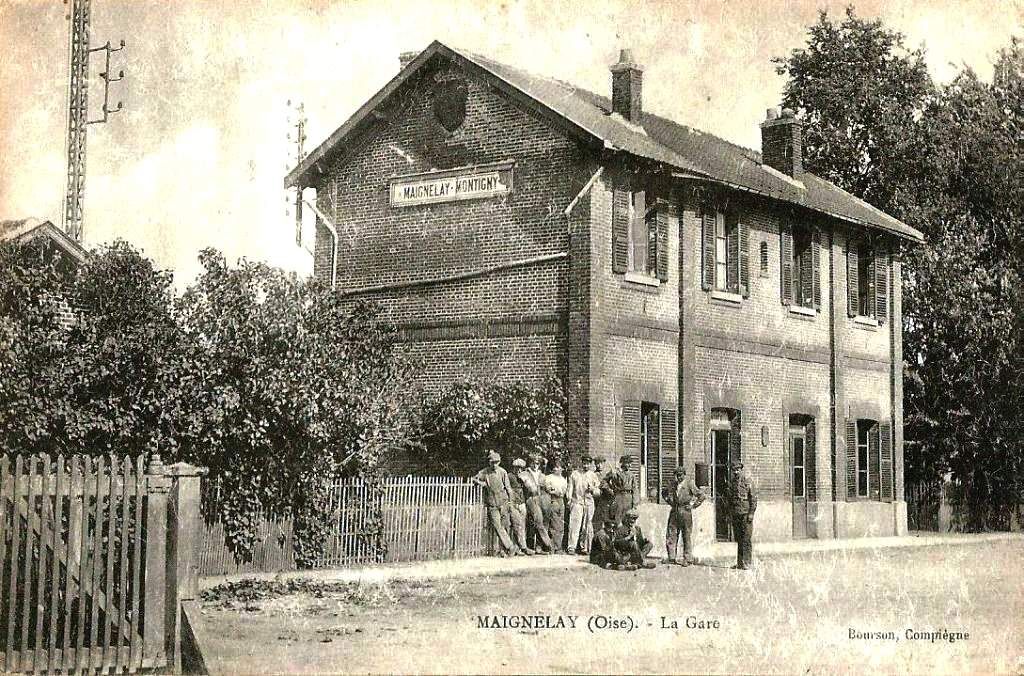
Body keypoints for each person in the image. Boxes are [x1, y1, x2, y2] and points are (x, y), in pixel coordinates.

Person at [472, 450, 520, 557]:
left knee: (505, 525)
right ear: (489, 462)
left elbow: (508, 488)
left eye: (496, 462)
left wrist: (510, 502)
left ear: (499, 462)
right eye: (492, 462)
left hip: (503, 502)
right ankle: (510, 546)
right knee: (497, 526)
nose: (494, 464)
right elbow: (474, 478)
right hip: (492, 503)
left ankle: (504, 550)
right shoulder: (485, 472)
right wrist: (483, 484)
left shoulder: (503, 472)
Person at [664, 466, 704, 566]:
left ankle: (687, 558)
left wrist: (693, 505)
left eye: (680, 475)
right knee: (671, 534)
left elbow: (701, 496)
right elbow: (664, 493)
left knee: (686, 535)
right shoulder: (673, 484)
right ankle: (672, 557)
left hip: (685, 512)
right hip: (674, 511)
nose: (678, 477)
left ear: (684, 475)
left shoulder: (689, 484)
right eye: (677, 475)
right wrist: (669, 501)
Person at [517, 459, 553, 553]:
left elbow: (546, 487)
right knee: (538, 520)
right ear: (530, 463)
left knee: (542, 521)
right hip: (531, 498)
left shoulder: (542, 475)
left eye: (537, 463)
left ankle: (538, 547)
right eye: (533, 462)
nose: (535, 465)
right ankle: (548, 543)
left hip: (542, 498)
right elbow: (527, 486)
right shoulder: (525, 474)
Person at [727, 459, 757, 570]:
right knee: (739, 539)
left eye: (737, 470)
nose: (735, 472)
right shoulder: (732, 482)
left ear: (741, 469)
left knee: (746, 539)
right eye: (734, 470)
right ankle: (740, 563)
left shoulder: (747, 481)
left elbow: (753, 498)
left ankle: (747, 563)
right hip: (736, 514)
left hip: (745, 513)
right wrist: (730, 514)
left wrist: (751, 513)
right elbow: (730, 499)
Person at [566, 456, 599, 555]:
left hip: (589, 502)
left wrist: (592, 489)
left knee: (587, 525)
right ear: (581, 463)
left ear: (590, 464)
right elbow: (570, 488)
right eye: (584, 463)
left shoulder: (593, 475)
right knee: (574, 525)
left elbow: (598, 491)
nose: (586, 465)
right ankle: (571, 547)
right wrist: (569, 500)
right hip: (577, 501)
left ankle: (584, 547)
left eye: (588, 463)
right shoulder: (575, 474)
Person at [507, 458, 535, 555]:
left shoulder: (524, 477)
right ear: (513, 468)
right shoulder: (509, 476)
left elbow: (532, 490)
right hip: (513, 503)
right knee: (516, 524)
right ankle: (521, 547)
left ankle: (522, 547)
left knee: (522, 525)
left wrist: (525, 481)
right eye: (517, 468)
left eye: (521, 468)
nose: (519, 470)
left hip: (522, 502)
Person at [602, 456, 638, 525]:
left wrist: (635, 503)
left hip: (629, 499)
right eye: (627, 463)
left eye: (630, 463)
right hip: (618, 497)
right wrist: (609, 490)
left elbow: (635, 489)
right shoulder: (616, 472)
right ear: (623, 463)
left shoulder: (632, 475)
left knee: (628, 519)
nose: (630, 465)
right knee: (617, 519)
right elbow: (604, 482)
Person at [543, 460, 568, 553]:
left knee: (560, 524)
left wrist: (557, 491)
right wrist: (556, 491)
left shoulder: (563, 479)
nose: (555, 469)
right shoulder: (549, 478)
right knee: (553, 524)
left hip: (561, 501)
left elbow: (564, 491)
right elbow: (549, 490)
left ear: (561, 468)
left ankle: (558, 546)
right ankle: (552, 546)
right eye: (554, 467)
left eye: (558, 467)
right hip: (552, 500)